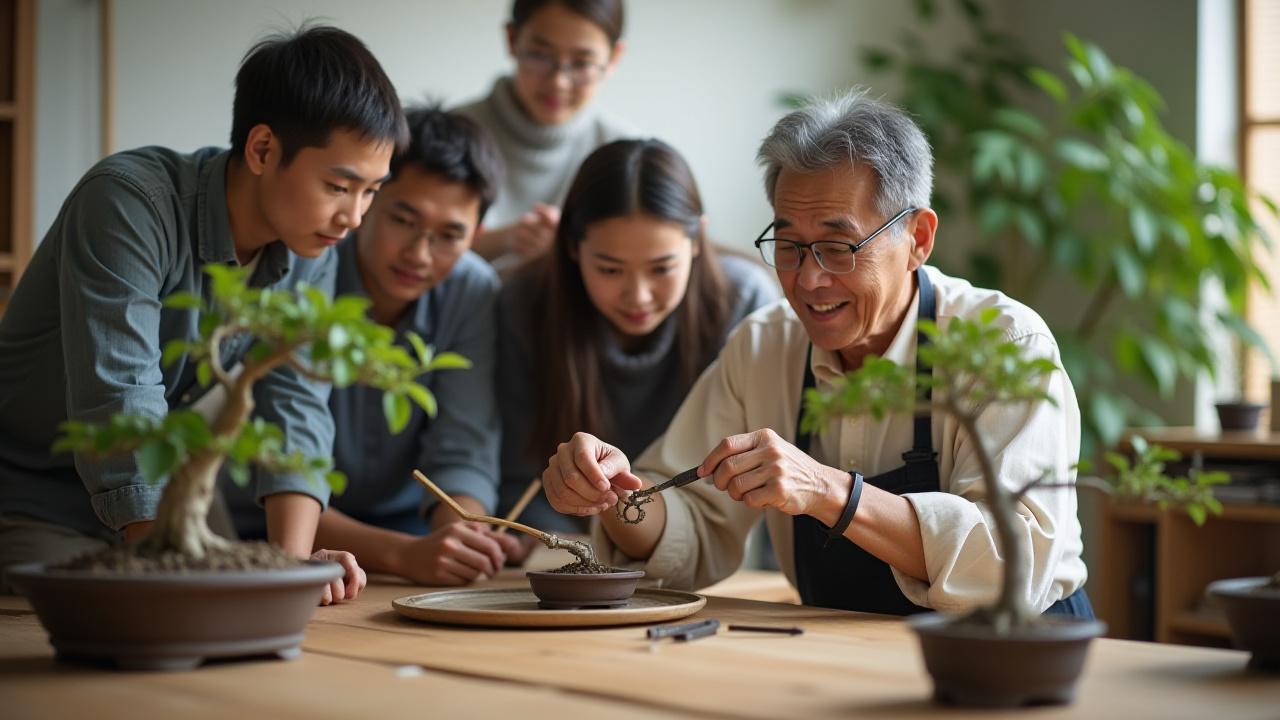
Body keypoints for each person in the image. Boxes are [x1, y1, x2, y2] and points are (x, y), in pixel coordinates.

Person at [539, 91, 1093, 618]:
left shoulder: (1006, 344)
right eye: (788, 246)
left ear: (918, 239)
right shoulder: (765, 347)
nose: (809, 279)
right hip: (848, 657)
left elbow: (1011, 562)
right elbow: (695, 522)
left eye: (837, 247)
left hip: (1021, 659)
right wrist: (615, 495)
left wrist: (829, 492)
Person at [0, 25, 408, 603]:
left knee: (243, 619)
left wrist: (289, 569)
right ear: (263, 149)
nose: (354, 217)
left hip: (174, 491)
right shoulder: (128, 203)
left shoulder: (311, 243)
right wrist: (170, 564)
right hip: (29, 491)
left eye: (371, 192)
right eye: (339, 186)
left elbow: (296, 403)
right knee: (119, 613)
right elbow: (120, 394)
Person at [226, 105, 523, 585]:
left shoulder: (472, 289)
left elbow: (463, 448)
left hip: (406, 531)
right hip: (267, 532)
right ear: (368, 200)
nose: (420, 255)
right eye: (403, 220)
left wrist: (460, 540)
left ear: (477, 235)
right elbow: (286, 456)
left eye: (450, 235)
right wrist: (406, 556)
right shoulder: (307, 260)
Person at [498, 138, 779, 535]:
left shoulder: (745, 300)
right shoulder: (524, 302)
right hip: (550, 549)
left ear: (697, 240)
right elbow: (516, 475)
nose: (638, 296)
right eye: (610, 270)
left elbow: (750, 484)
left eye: (662, 268)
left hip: (703, 548)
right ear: (574, 248)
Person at [457, 0, 632, 269]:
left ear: (614, 58)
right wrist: (507, 241)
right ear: (512, 39)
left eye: (582, 63)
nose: (558, 82)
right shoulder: (449, 135)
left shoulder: (625, 156)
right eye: (540, 55)